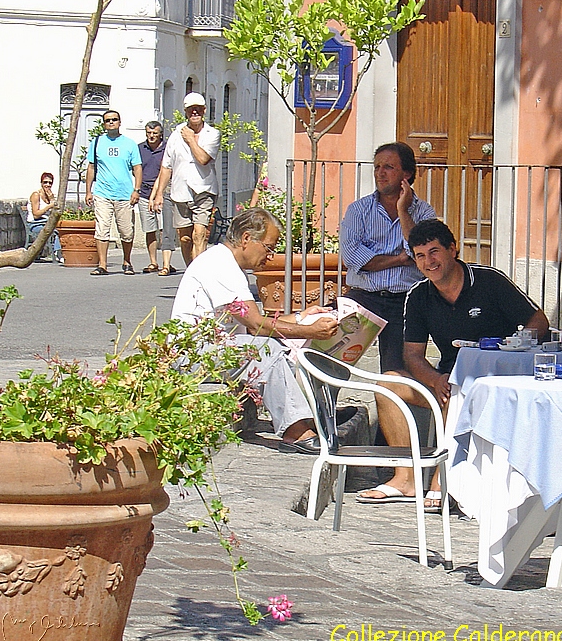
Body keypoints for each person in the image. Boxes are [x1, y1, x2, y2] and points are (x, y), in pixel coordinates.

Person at [357, 219, 550, 503]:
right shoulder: (418, 295)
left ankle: (442, 480)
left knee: (455, 390)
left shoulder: (489, 280)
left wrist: (513, 345)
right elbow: (412, 355)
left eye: (434, 252)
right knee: (388, 384)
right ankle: (405, 479)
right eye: (420, 255)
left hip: (496, 383)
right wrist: (435, 380)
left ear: (453, 249)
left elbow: (539, 320)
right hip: (448, 381)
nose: (428, 262)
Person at [171, 207, 340, 452]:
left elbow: (253, 323)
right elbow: (256, 326)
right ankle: (295, 429)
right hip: (192, 354)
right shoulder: (220, 264)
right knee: (267, 349)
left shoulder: (227, 265)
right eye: (269, 247)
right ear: (247, 239)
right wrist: (310, 331)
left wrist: (300, 318)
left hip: (211, 349)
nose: (270, 256)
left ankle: (312, 413)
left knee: (281, 349)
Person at [340, 142, 437, 372]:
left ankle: (396, 407)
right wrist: (398, 259)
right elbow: (353, 258)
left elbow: (420, 254)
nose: (380, 173)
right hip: (364, 297)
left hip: (404, 300)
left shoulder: (424, 213)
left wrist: (403, 212)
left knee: (397, 370)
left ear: (407, 174)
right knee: (333, 360)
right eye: (377, 167)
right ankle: (325, 407)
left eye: (388, 167)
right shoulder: (358, 210)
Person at [152, 92, 221, 267]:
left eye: (198, 109)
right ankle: (192, 271)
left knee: (199, 234)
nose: (195, 112)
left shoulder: (212, 134)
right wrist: (159, 194)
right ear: (186, 111)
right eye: (191, 109)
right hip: (180, 192)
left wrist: (191, 140)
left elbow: (204, 159)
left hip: (203, 190)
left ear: (204, 110)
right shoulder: (175, 135)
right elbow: (166, 166)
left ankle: (200, 275)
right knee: (184, 238)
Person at [85, 109, 142, 276]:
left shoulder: (129, 144)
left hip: (124, 194)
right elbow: (91, 167)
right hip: (102, 192)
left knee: (126, 231)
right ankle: (102, 264)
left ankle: (127, 261)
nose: (111, 122)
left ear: (119, 122)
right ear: (104, 124)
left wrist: (136, 190)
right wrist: (88, 191)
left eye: (114, 119)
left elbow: (137, 168)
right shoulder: (97, 143)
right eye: (108, 120)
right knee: (102, 229)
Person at [137, 121, 178, 276]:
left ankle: (166, 263)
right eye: (149, 133)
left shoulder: (167, 148)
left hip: (163, 193)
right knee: (149, 229)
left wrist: (157, 194)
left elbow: (165, 171)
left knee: (165, 228)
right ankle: (153, 261)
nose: (151, 136)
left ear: (161, 134)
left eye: (155, 133)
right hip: (144, 193)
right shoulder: (140, 149)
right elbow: (136, 169)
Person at [26, 171, 61, 259]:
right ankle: (58, 252)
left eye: (50, 183)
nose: (48, 185)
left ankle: (59, 251)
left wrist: (52, 199)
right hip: (35, 223)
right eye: (45, 182)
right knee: (52, 230)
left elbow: (54, 212)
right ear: (41, 183)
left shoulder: (49, 195)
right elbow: (36, 214)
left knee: (60, 229)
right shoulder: (36, 195)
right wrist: (49, 206)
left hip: (46, 222)